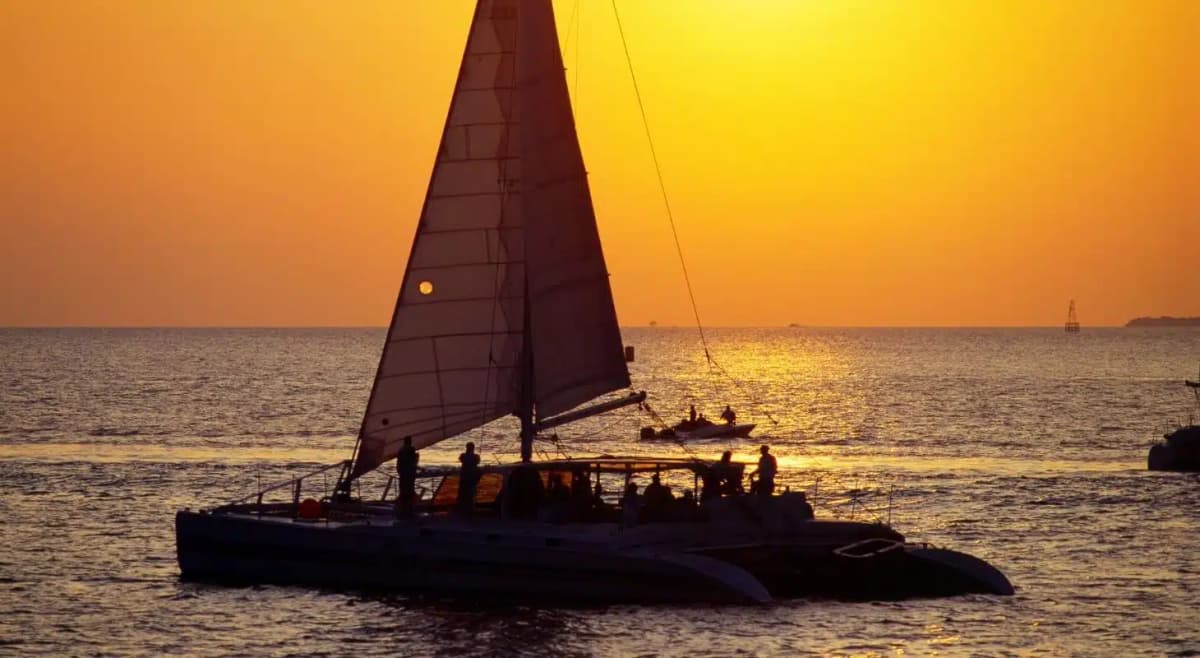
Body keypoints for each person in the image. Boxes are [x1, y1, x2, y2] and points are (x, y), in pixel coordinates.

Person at [395, 435, 419, 517]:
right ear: (410, 441)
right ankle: (409, 511)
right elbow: (412, 463)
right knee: (409, 491)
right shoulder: (411, 449)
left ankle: (403, 510)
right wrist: (416, 458)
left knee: (403, 492)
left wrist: (400, 471)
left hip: (403, 474)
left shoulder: (400, 450)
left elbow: (398, 464)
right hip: (409, 474)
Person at [456, 441, 482, 516]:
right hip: (471, 480)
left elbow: (461, 459)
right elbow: (477, 462)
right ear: (473, 448)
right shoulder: (475, 457)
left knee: (463, 496)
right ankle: (469, 512)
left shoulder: (463, 456)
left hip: (464, 479)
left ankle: (462, 512)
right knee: (470, 497)